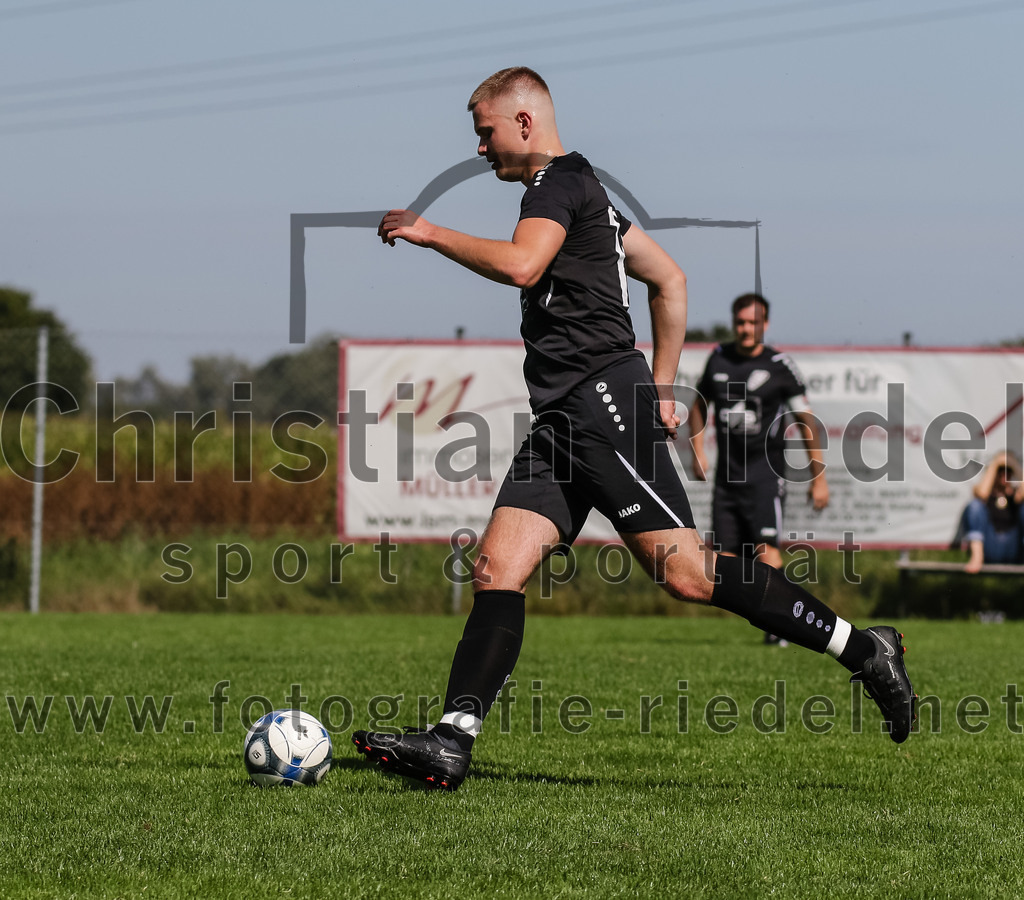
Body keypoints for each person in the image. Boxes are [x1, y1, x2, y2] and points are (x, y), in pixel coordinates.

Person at [352, 67, 916, 791]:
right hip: (564, 418)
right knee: (497, 568)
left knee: (686, 574)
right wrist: (667, 386)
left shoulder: (558, 182)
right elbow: (670, 279)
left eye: (485, 132)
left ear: (524, 123)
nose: (481, 148)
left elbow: (525, 267)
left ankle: (865, 648)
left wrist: (429, 232)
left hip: (599, 403)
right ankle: (451, 741)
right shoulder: (588, 197)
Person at [688, 293, 829, 645]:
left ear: (765, 325)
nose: (746, 329)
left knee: (766, 552)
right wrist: (698, 450)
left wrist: (819, 477)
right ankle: (766, 618)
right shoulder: (719, 359)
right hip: (727, 478)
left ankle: (780, 627)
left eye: (753, 323)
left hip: (766, 475)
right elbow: (697, 404)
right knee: (723, 561)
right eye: (741, 323)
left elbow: (806, 420)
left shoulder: (780, 365)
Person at [961, 452, 1024, 573]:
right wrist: (995, 464)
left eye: (1007, 470)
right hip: (990, 546)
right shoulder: (984, 492)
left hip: (1015, 547)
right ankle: (977, 556)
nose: (1004, 474)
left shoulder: (1017, 494)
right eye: (1000, 470)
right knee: (974, 506)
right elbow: (981, 494)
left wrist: (1014, 465)